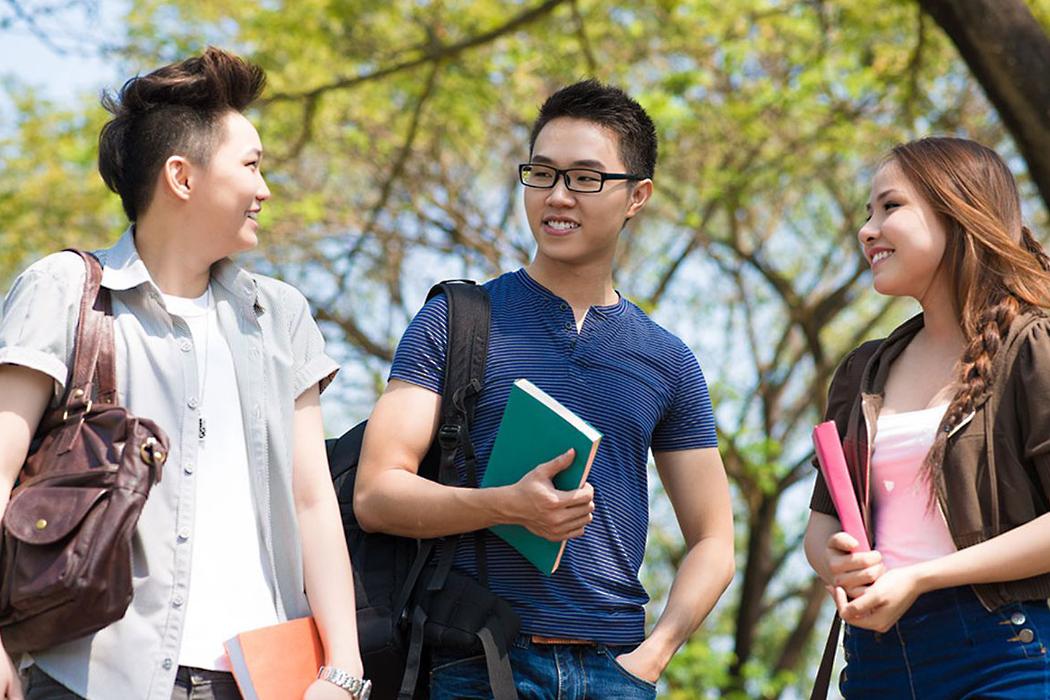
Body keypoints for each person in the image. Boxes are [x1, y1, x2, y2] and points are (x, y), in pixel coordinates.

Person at [0, 48, 365, 700]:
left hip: (263, 683)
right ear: (182, 177)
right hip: (88, 678)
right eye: (250, 166)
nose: (265, 188)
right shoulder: (65, 291)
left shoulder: (280, 317)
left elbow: (313, 502)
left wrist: (343, 669)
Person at [355, 79, 735, 698]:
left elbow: (715, 539)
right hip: (475, 662)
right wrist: (506, 504)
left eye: (586, 178)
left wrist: (653, 656)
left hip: (613, 672)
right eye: (542, 173)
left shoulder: (668, 359)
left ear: (637, 195)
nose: (558, 196)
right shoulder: (455, 320)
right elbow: (377, 493)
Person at [804, 136, 1050, 698]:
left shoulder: (1032, 346)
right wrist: (836, 563)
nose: (868, 230)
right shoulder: (861, 371)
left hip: (1003, 655)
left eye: (891, 207)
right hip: (876, 663)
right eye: (868, 212)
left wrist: (921, 576)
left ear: (958, 212)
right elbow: (822, 525)